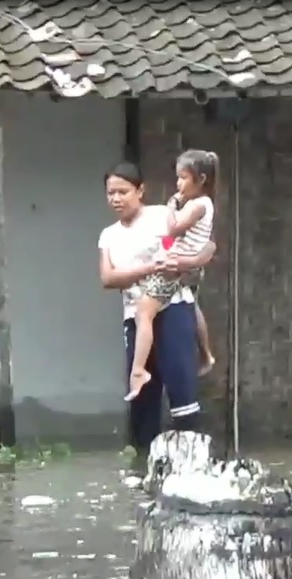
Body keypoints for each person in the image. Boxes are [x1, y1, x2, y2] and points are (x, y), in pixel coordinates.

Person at [97, 162, 215, 452]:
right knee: (141, 399)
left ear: (140, 191)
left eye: (123, 192)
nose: (116, 199)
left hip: (174, 309)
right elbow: (108, 277)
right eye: (110, 193)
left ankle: (192, 469)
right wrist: (152, 266)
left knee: (182, 393)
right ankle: (141, 471)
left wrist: (188, 263)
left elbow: (208, 246)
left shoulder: (164, 216)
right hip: (136, 319)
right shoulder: (108, 235)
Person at [125, 150, 219, 401]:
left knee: (143, 312)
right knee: (191, 304)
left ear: (200, 179)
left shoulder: (198, 205)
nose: (178, 184)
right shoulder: (204, 204)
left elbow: (173, 229)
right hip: (186, 268)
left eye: (183, 178)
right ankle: (206, 353)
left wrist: (171, 207)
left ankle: (138, 370)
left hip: (174, 268)